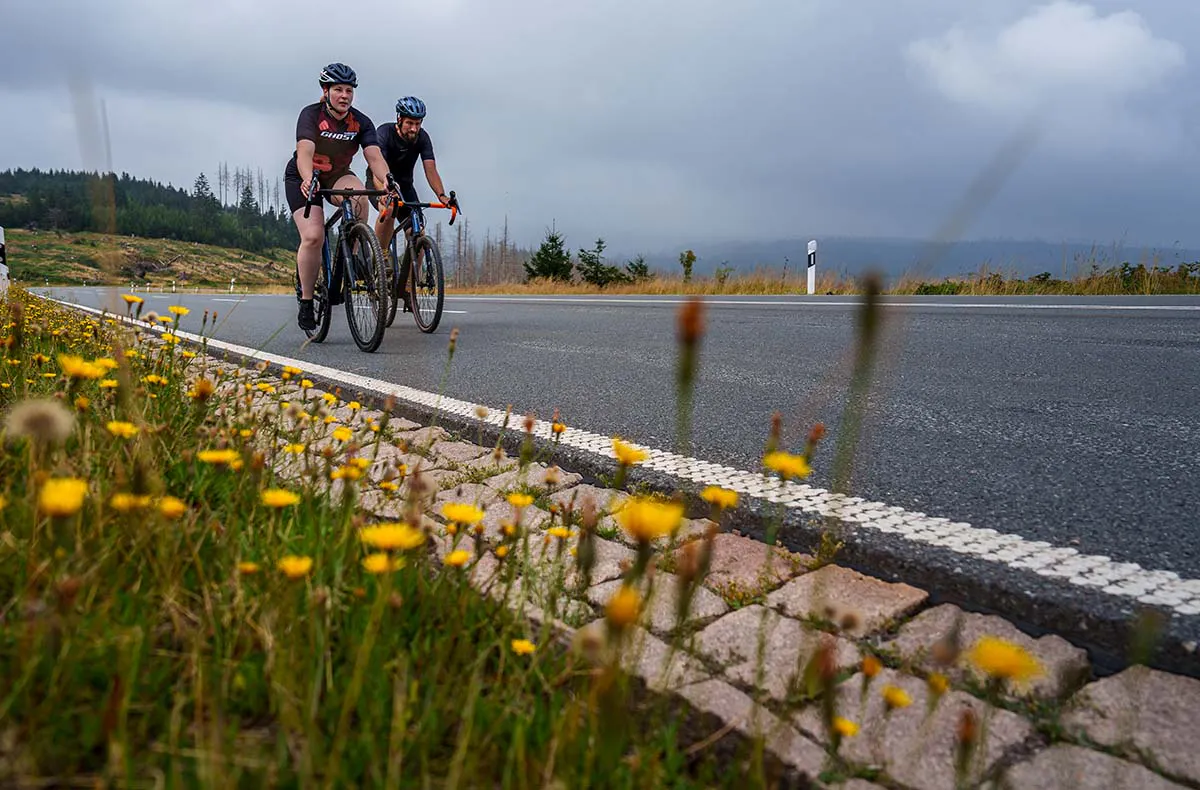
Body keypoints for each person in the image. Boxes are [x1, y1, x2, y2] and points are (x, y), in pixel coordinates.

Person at [284, 62, 395, 330]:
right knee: (313, 236)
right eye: (338, 90)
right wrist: (309, 179)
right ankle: (308, 300)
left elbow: (374, 157)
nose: (344, 96)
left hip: (337, 174)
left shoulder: (361, 121)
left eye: (349, 90)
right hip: (304, 175)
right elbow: (305, 152)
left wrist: (388, 180)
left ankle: (353, 255)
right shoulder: (311, 115)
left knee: (358, 196)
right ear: (326, 91)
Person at [364, 96, 455, 305]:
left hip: (405, 186)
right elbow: (377, 169)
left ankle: (407, 287)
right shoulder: (384, 133)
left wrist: (442, 196)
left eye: (418, 123)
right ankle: (381, 257)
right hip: (379, 181)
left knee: (418, 234)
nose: (414, 128)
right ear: (399, 120)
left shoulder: (423, 138)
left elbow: (430, 169)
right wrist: (385, 192)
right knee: (389, 209)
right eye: (410, 123)